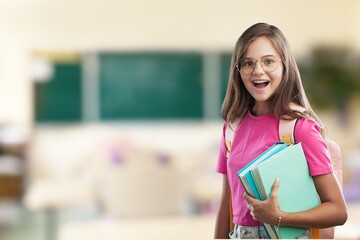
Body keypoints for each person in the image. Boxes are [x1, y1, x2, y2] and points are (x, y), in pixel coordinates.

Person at [214, 23, 347, 239]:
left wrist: (279, 217)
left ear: (285, 66)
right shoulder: (231, 129)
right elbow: (225, 206)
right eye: (248, 63)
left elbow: (338, 211)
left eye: (269, 61)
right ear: (238, 71)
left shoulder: (300, 129)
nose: (258, 71)